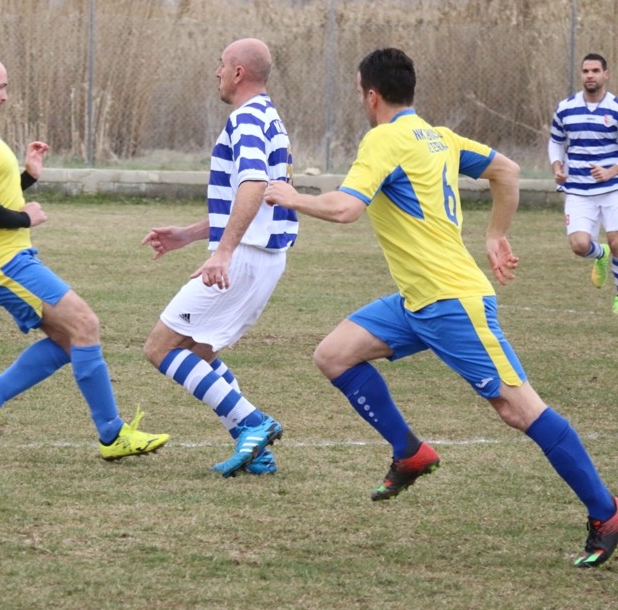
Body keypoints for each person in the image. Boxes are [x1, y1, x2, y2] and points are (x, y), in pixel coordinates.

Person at [265, 48, 618, 568]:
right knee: (335, 354)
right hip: (416, 300)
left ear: (371, 94)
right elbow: (507, 169)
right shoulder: (438, 136)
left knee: (519, 409)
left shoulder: (384, 138)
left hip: (451, 301)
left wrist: (289, 195)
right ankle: (410, 452)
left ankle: (606, 512)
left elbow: (345, 207)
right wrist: (495, 233)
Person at [0, 52, 169, 461]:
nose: (5, 96)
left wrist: (26, 175)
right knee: (85, 324)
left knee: (69, 340)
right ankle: (112, 435)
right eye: (2, 86)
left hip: (5, 255)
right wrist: (23, 216)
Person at [141, 38, 295, 477]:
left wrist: (223, 253)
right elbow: (249, 200)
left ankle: (254, 423)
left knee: (160, 348)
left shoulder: (246, 119)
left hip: (244, 256)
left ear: (239, 73)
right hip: (262, 255)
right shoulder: (269, 117)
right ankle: (257, 452)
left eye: (221, 65)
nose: (217, 73)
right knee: (198, 350)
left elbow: (251, 187)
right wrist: (190, 235)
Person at [549, 53, 618, 313]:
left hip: (613, 189)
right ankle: (599, 255)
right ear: (582, 75)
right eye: (586, 71)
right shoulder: (566, 108)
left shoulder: (615, 108)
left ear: (605, 75)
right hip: (577, 190)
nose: (590, 75)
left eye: (595, 71)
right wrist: (557, 166)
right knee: (579, 246)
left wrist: (611, 171)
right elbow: (556, 141)